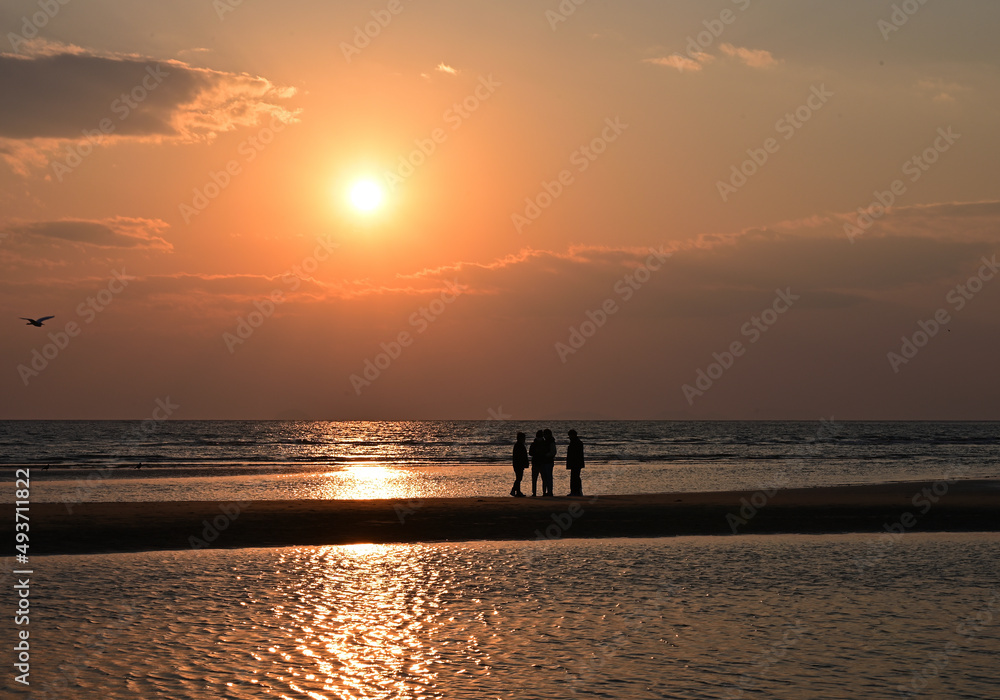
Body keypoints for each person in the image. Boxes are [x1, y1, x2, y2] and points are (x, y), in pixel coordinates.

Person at [566, 429, 584, 496]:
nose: (569, 437)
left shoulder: (575, 442)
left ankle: (575, 491)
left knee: (575, 477)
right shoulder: (577, 442)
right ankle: (576, 491)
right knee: (575, 477)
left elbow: (574, 454)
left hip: (575, 463)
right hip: (576, 463)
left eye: (570, 435)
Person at [528, 430, 545, 496]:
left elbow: (530, 453)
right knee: (541, 478)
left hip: (538, 462)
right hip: (538, 462)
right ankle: (537, 492)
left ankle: (536, 492)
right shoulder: (541, 443)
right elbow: (530, 453)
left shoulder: (534, 444)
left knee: (536, 478)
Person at [511, 432, 528, 497]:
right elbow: (521, 456)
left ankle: (518, 492)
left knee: (519, 477)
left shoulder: (518, 445)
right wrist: (524, 463)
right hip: (518, 464)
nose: (524, 439)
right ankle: (514, 490)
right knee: (519, 478)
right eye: (524, 438)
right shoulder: (519, 445)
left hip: (517, 464)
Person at [542, 428, 556, 497]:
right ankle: (547, 491)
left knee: (548, 477)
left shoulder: (551, 442)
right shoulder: (547, 441)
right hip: (546, 461)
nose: (544, 436)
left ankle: (550, 491)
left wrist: (545, 455)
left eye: (545, 434)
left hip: (549, 461)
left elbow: (553, 452)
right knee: (546, 477)